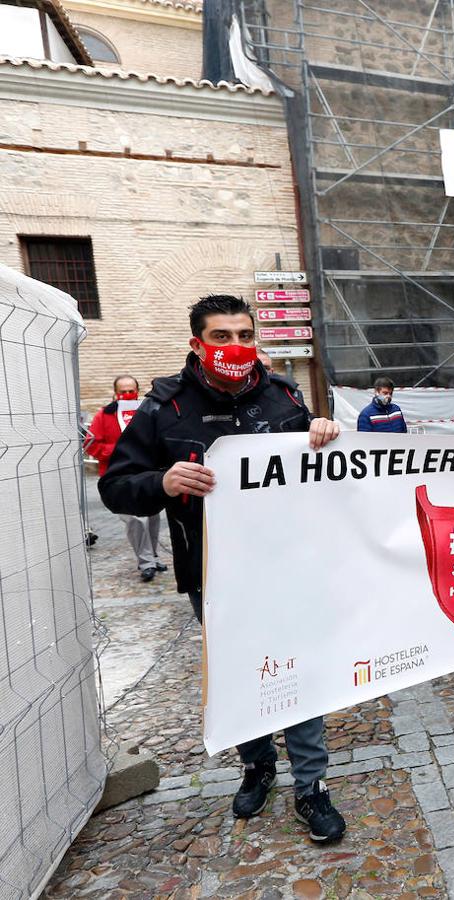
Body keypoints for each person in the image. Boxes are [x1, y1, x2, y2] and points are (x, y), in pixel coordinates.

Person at [99, 294, 348, 844]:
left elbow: (322, 474)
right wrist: (161, 483)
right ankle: (257, 765)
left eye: (244, 335)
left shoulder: (284, 396)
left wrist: (325, 436)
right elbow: (115, 487)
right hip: (210, 572)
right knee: (240, 673)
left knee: (297, 672)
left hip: (286, 564)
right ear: (197, 343)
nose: (236, 347)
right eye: (221, 337)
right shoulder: (165, 405)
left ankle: (312, 786)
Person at [85, 375, 167, 582]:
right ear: (115, 393)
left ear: (138, 390)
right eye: (123, 391)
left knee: (152, 516)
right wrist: (122, 450)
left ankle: (153, 556)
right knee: (136, 520)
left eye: (131, 390)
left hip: (148, 474)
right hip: (119, 477)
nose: (128, 394)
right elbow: (91, 444)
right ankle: (146, 562)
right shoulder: (105, 415)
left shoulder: (147, 411)